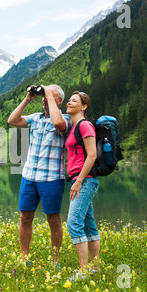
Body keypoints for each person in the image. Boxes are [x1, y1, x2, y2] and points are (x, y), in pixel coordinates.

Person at [8, 85, 72, 266]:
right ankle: (25, 258)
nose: (44, 99)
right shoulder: (35, 118)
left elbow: (58, 124)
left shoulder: (66, 119)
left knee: (53, 220)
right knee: (25, 218)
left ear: (59, 100)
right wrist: (28, 98)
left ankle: (55, 260)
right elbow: (12, 120)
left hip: (52, 178)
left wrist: (49, 95)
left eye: (49, 97)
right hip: (29, 176)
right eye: (43, 96)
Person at [65, 91, 100, 281]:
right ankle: (94, 268)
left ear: (84, 106)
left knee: (74, 223)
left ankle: (84, 271)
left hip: (84, 180)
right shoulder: (74, 126)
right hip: (80, 179)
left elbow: (92, 155)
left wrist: (78, 181)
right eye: (69, 100)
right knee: (88, 224)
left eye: (74, 101)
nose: (69, 102)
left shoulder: (85, 125)